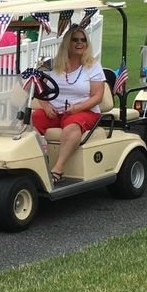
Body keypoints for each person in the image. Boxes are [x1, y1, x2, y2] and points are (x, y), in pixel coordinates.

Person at [31, 27, 105, 183]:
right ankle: (32, 164)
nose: (80, 43)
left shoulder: (92, 66)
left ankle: (57, 169)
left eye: (83, 40)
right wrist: (44, 105)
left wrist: (76, 108)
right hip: (54, 112)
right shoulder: (51, 64)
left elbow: (97, 97)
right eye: (75, 39)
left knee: (72, 126)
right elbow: (36, 88)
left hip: (84, 111)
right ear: (67, 42)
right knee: (29, 120)